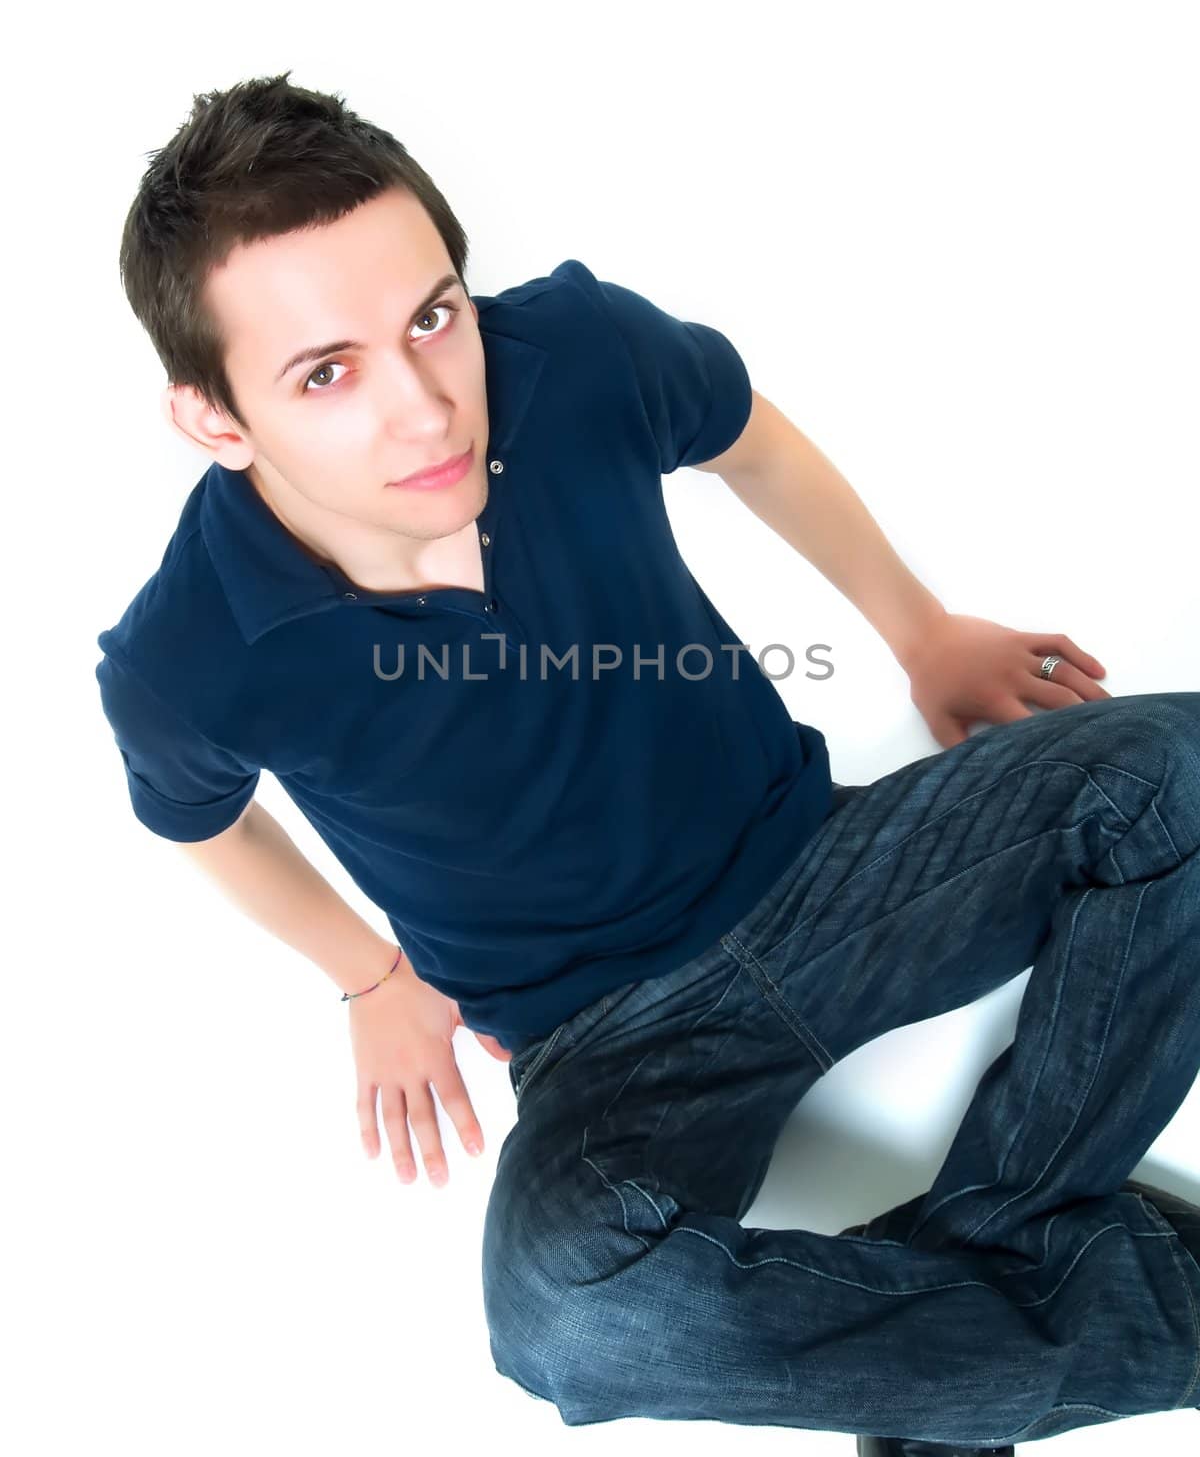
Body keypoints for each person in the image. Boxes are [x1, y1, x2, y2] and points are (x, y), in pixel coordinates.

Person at [95, 71, 1200, 1457]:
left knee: (1181, 772)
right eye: (328, 373)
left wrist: (922, 635)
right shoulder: (186, 652)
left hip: (831, 867)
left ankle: (956, 1354)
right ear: (216, 419)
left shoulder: (573, 351)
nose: (428, 406)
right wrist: (369, 975)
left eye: (431, 316)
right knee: (567, 1320)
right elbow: (197, 821)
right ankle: (1111, 1315)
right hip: (603, 1041)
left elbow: (749, 437)